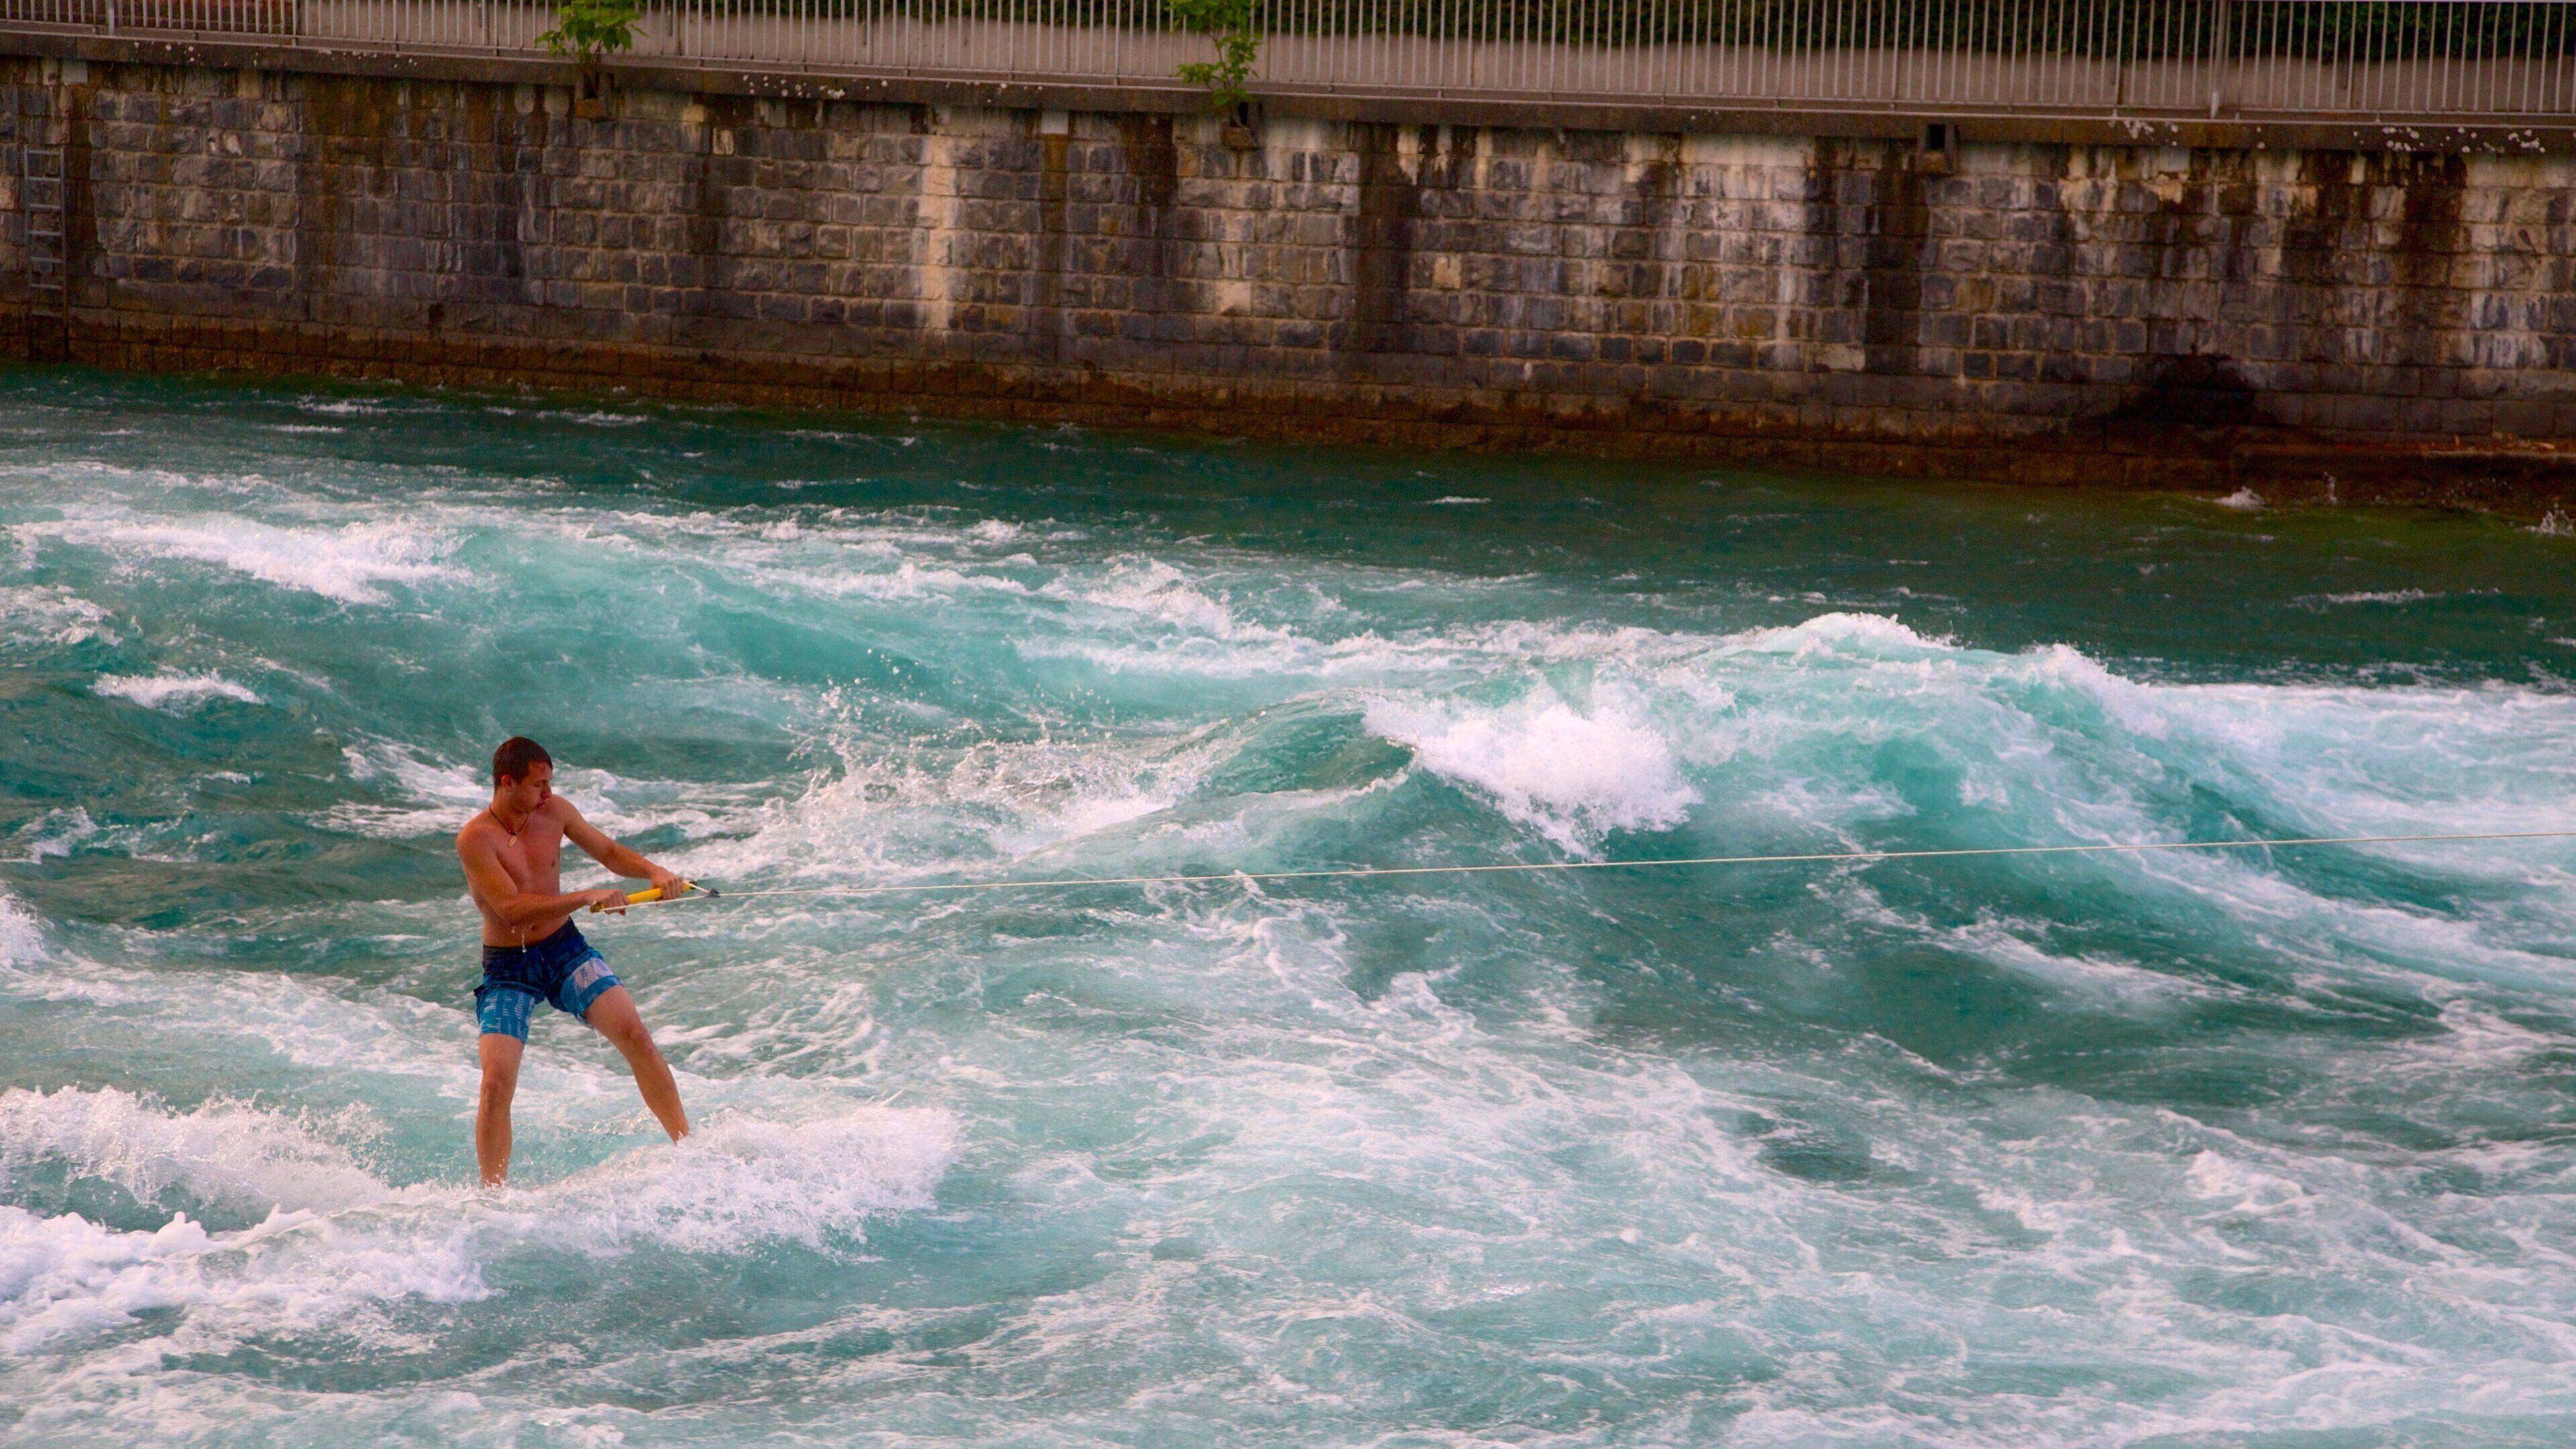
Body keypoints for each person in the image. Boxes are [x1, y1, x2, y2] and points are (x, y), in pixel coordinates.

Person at [456, 735, 691, 1185]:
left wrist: (654, 872)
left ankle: (688, 1147)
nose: (547, 793)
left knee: (634, 1034)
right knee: (495, 1082)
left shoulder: (555, 812)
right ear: (508, 783)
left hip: (565, 950)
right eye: (538, 784)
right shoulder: (475, 839)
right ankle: (491, 1196)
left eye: (550, 783)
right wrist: (585, 896)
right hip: (510, 966)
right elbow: (511, 909)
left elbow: (607, 852)